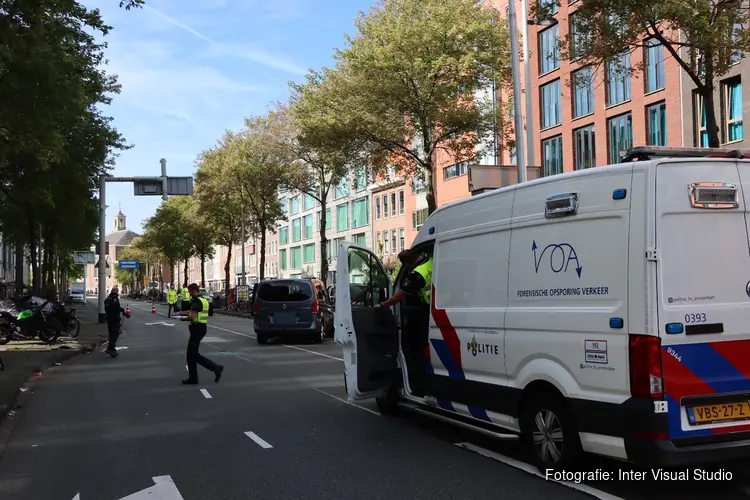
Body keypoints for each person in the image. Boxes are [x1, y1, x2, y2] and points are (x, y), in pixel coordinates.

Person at [378, 249, 432, 394]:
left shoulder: (416, 274)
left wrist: (383, 305)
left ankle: (419, 386)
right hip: (436, 310)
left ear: (408, 263)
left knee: (413, 350)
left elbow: (399, 296)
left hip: (428, 312)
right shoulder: (431, 262)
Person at [179, 283, 223, 385]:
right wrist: (180, 312)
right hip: (202, 328)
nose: (189, 294)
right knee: (192, 355)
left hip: (196, 329)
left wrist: (183, 319)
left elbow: (192, 316)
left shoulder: (196, 301)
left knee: (192, 355)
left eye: (190, 292)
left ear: (194, 291)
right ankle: (193, 378)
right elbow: (193, 311)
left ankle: (215, 368)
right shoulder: (203, 300)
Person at [104, 286, 128, 357]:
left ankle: (110, 348)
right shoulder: (114, 298)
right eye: (117, 291)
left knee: (111, 334)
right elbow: (116, 308)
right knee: (115, 334)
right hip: (114, 319)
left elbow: (108, 308)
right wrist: (123, 312)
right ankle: (111, 349)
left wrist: (123, 311)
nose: (117, 292)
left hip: (109, 319)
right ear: (116, 291)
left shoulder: (108, 298)